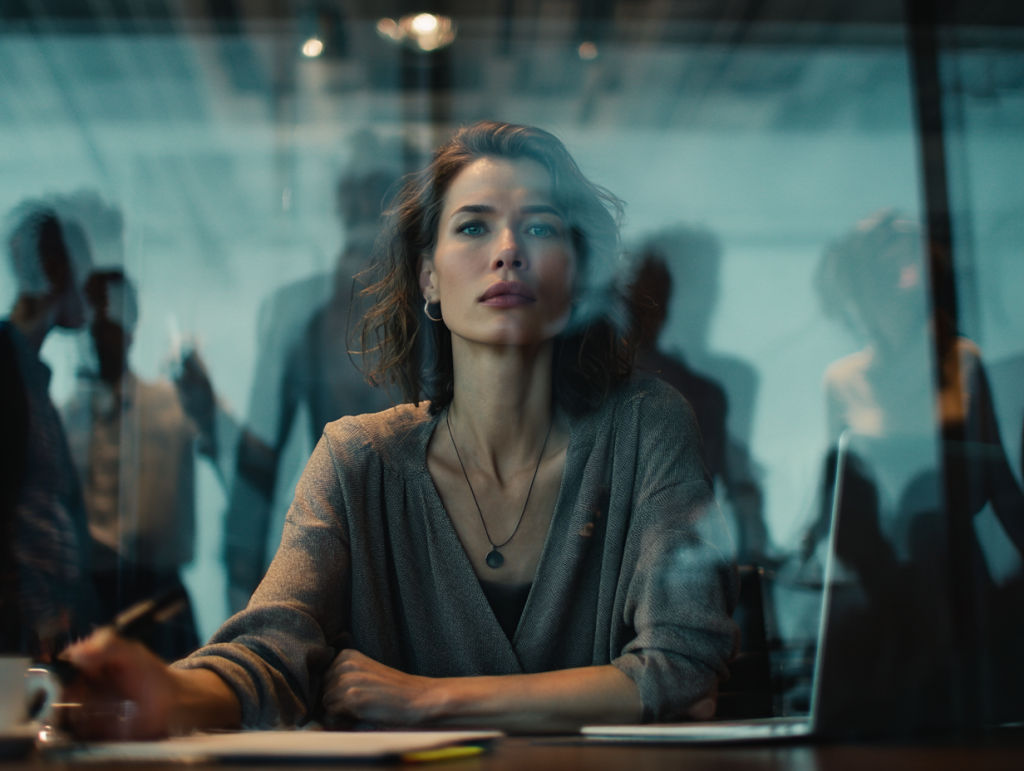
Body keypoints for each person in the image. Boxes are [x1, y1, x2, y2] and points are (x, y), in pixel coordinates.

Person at [62, 121, 739, 737]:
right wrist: (168, 692)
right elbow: (270, 651)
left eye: (539, 227)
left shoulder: (647, 426)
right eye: (473, 227)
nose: (508, 250)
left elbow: (682, 670)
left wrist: (426, 699)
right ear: (428, 278)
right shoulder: (359, 459)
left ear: (577, 272)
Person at [62, 269, 218, 661]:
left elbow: (228, 454)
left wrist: (208, 405)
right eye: (91, 315)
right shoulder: (62, 421)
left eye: (111, 315)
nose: (99, 328)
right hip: (85, 606)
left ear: (131, 324)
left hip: (159, 605)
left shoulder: (174, 404)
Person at [0, 200, 98, 657]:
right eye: (86, 273)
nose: (92, 296)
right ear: (55, 269)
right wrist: (35, 615)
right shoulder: (6, 367)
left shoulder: (30, 375)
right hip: (19, 632)